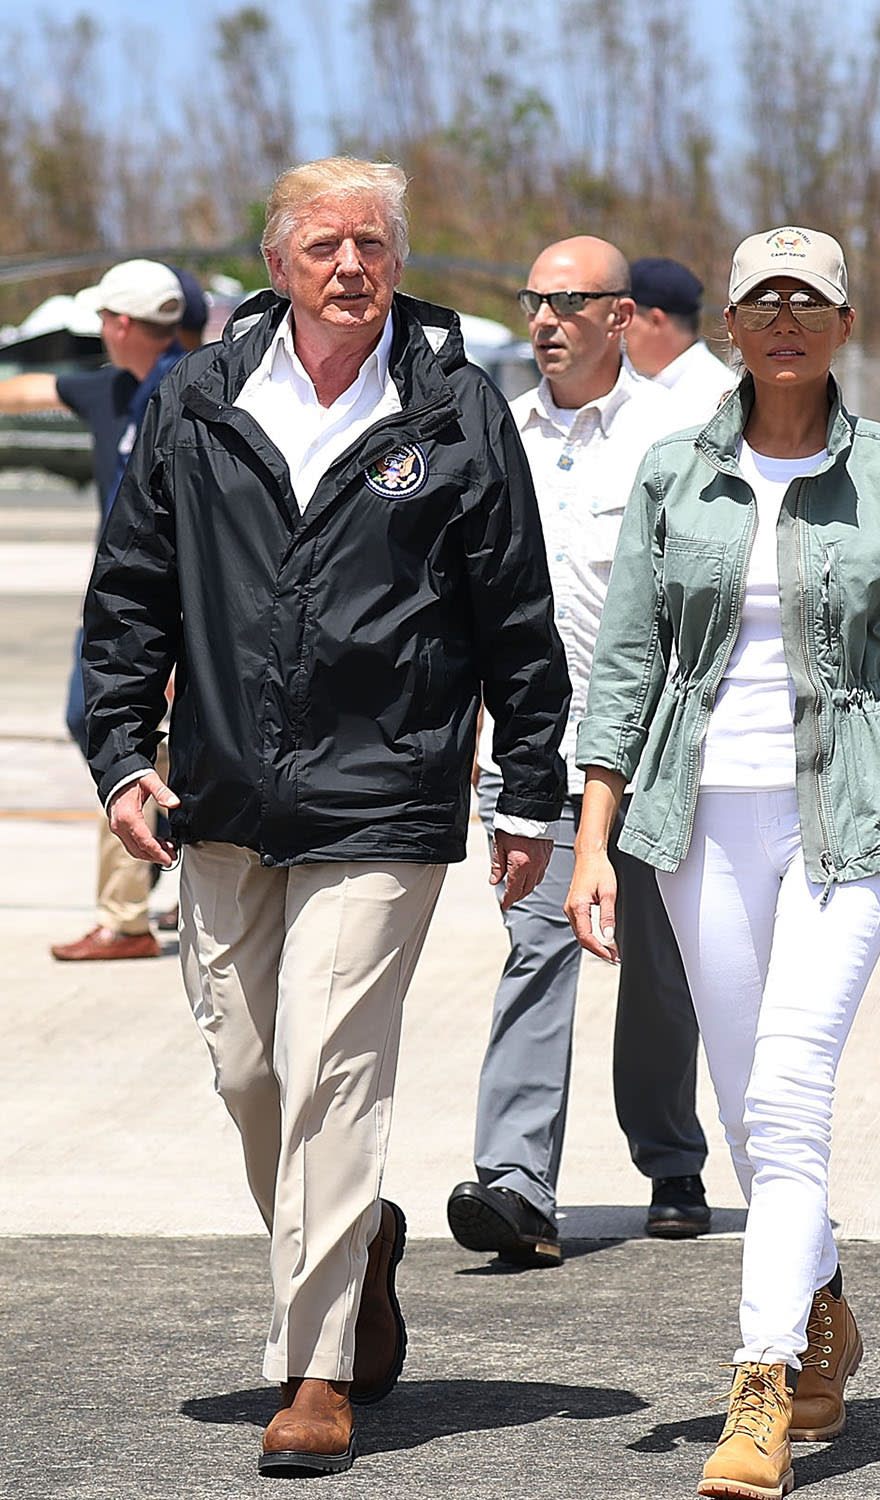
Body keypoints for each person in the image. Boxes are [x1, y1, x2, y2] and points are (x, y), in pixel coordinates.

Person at [81, 156, 569, 1477]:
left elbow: (513, 615)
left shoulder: (455, 408)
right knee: (251, 1074)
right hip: (223, 795)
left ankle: (317, 1368)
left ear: (399, 261)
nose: (351, 266)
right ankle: (358, 1246)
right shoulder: (197, 398)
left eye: (373, 244)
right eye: (324, 245)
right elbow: (130, 594)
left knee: (332, 1073)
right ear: (276, 258)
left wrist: (528, 785)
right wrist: (122, 756)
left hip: (384, 791)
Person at [565, 226, 880, 1499]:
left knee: (789, 1091)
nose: (787, 319)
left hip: (849, 821)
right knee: (748, 1104)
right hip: (695, 822)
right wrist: (592, 842)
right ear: (730, 329)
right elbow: (626, 668)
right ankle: (823, 1309)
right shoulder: (669, 474)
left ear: (845, 326)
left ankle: (757, 1386)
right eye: (764, 300)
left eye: (812, 300)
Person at [446, 236, 710, 1270]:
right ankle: (516, 1183)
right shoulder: (495, 436)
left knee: (658, 965)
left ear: (621, 315)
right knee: (535, 951)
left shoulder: (679, 433)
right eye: (534, 302)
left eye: (568, 303)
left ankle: (671, 1161)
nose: (545, 321)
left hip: (650, 747)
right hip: (534, 752)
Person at [0, 259, 194, 960]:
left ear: (116, 323)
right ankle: (148, 880)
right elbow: (27, 390)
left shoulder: (187, 388)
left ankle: (133, 908)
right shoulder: (111, 387)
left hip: (161, 610)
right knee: (94, 721)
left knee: (134, 737)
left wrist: (175, 638)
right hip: (113, 605)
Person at [625, 255, 735, 420]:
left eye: (625, 316)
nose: (617, 327)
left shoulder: (720, 398)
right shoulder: (630, 381)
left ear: (655, 320)